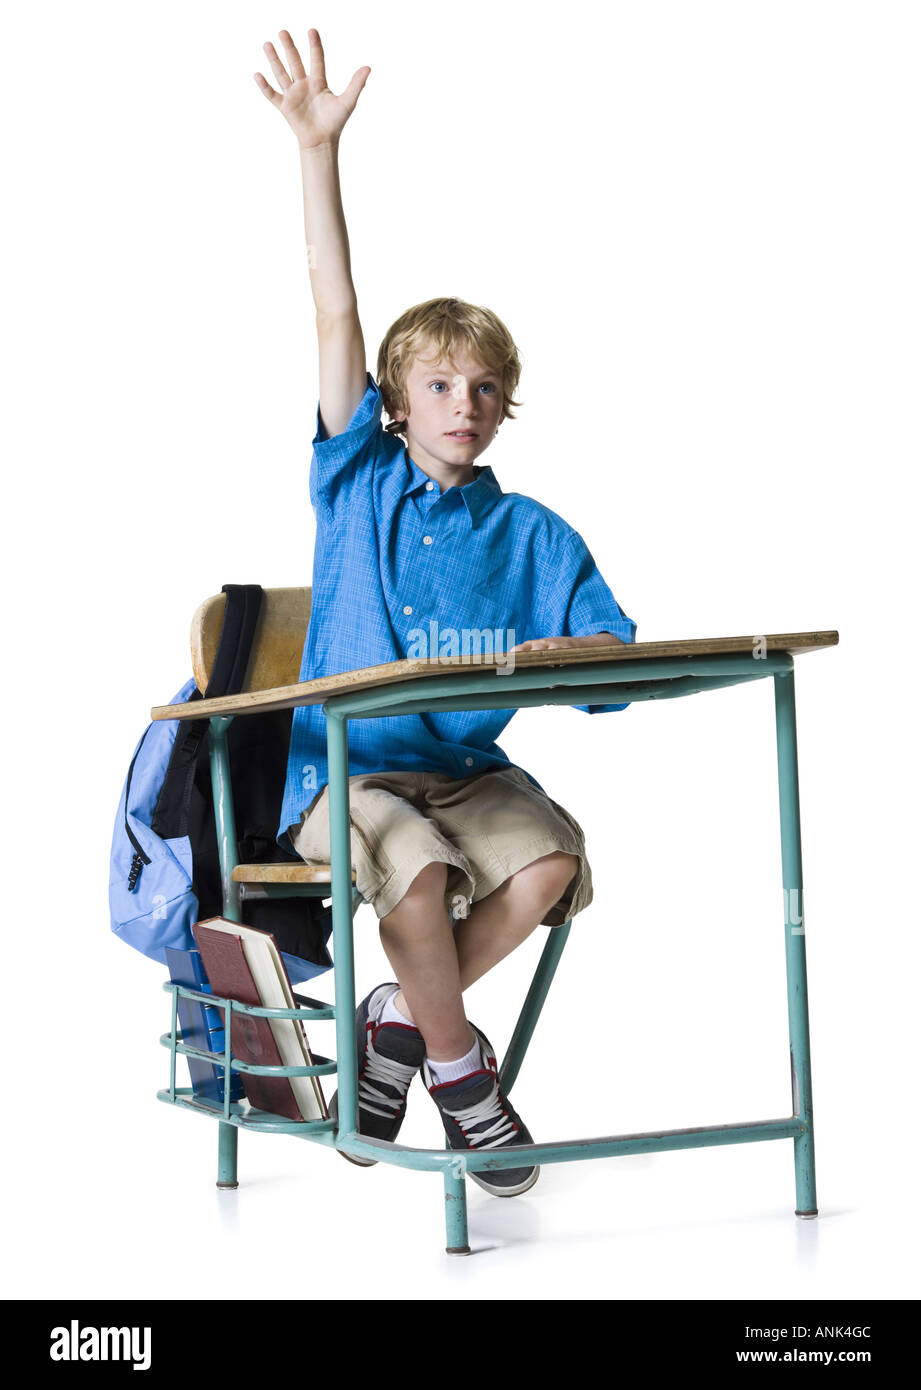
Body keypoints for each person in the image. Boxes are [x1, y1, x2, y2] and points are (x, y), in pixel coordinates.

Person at [255, 28, 636, 1197]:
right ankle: (465, 1076)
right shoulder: (356, 481)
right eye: (435, 384)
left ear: (506, 408)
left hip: (467, 775)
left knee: (552, 864)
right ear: (393, 400)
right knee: (413, 873)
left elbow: (613, 657)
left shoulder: (534, 536)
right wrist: (318, 153)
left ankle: (399, 1020)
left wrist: (580, 655)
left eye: (483, 389)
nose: (460, 404)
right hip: (344, 773)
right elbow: (334, 310)